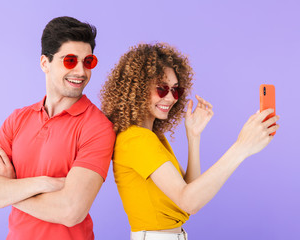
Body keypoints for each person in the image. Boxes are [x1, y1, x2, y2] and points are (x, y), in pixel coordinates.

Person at [100, 43, 279, 240]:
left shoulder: (151, 137)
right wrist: (241, 147)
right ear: (138, 89)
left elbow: (189, 193)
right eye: (161, 89)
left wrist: (193, 136)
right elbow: (189, 202)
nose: (170, 98)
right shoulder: (136, 139)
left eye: (175, 90)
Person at [0, 16, 115, 240]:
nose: (81, 72)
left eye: (88, 62)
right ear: (45, 63)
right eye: (70, 60)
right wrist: (44, 183)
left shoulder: (98, 127)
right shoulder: (17, 120)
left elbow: (71, 211)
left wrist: (10, 189)